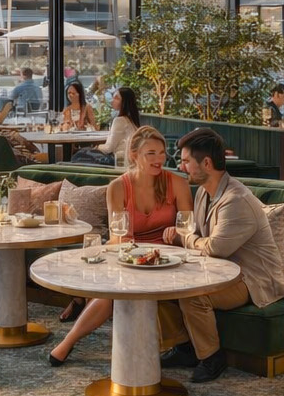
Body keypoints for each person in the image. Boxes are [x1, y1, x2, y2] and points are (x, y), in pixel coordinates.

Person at [158, 127, 284, 382]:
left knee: (194, 296)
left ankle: (212, 358)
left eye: (187, 161)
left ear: (207, 163)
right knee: (162, 284)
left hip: (252, 278)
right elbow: (201, 237)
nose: (182, 166)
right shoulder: (204, 191)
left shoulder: (236, 199)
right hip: (221, 271)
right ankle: (186, 347)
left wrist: (183, 238)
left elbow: (214, 248)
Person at [48, 126, 193, 365]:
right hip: (130, 255)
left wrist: (176, 234)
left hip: (169, 259)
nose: (159, 159)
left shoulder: (177, 184)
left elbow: (188, 227)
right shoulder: (118, 187)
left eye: (162, 153)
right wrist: (126, 246)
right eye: (151, 154)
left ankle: (70, 342)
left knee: (118, 291)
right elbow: (117, 234)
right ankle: (68, 342)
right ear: (134, 155)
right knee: (115, 291)